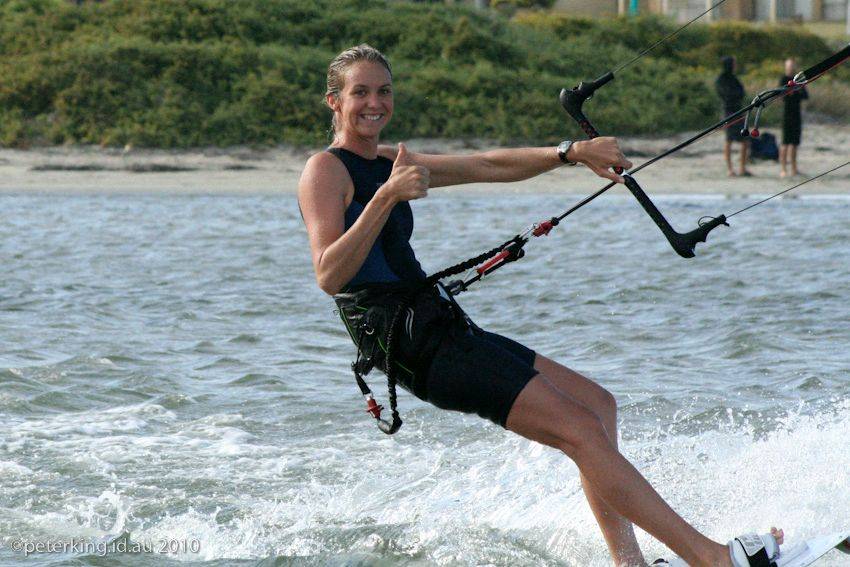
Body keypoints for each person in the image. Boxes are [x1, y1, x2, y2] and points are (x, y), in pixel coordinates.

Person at [298, 44, 783, 567]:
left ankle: (630, 563)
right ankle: (711, 558)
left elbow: (487, 164)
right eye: (361, 92)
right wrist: (386, 197)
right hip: (415, 346)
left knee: (598, 407)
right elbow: (329, 274)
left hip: (443, 327)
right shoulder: (326, 170)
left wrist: (570, 153)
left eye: (384, 91)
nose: (375, 102)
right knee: (579, 430)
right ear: (334, 101)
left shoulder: (391, 163)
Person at [715, 56, 751, 177]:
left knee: (745, 139)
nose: (735, 66)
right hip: (728, 111)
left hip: (739, 110)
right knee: (729, 140)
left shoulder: (734, 78)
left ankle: (742, 168)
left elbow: (741, 92)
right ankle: (730, 169)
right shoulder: (721, 79)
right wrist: (734, 95)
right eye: (734, 64)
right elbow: (724, 94)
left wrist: (736, 95)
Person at [779, 58, 809, 178]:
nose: (791, 68)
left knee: (795, 143)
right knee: (785, 142)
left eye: (792, 66)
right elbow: (781, 95)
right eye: (789, 66)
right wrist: (791, 92)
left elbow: (805, 95)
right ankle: (783, 169)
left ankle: (794, 169)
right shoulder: (783, 79)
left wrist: (796, 92)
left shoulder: (798, 80)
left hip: (796, 114)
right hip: (787, 114)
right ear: (786, 67)